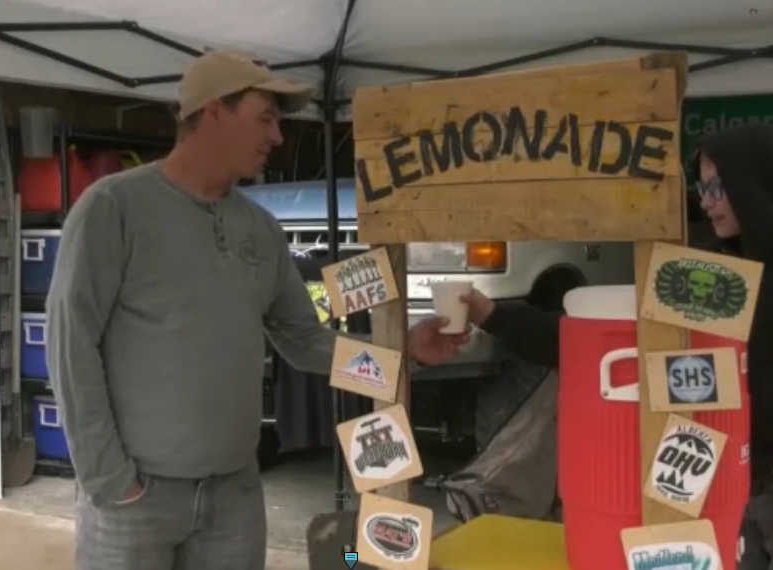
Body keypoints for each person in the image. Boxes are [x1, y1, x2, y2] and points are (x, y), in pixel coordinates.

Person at [46, 48, 466, 570]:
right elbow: (70, 343)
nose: (278, 137)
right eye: (265, 118)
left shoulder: (261, 229)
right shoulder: (113, 207)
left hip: (234, 498)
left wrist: (402, 359)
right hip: (136, 500)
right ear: (215, 111)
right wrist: (109, 476)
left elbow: (306, 341)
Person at [459, 124, 773, 570]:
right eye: (703, 185)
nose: (706, 199)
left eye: (719, 186)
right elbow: (598, 342)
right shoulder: (704, 274)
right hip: (727, 494)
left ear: (757, 186)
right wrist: (492, 316)